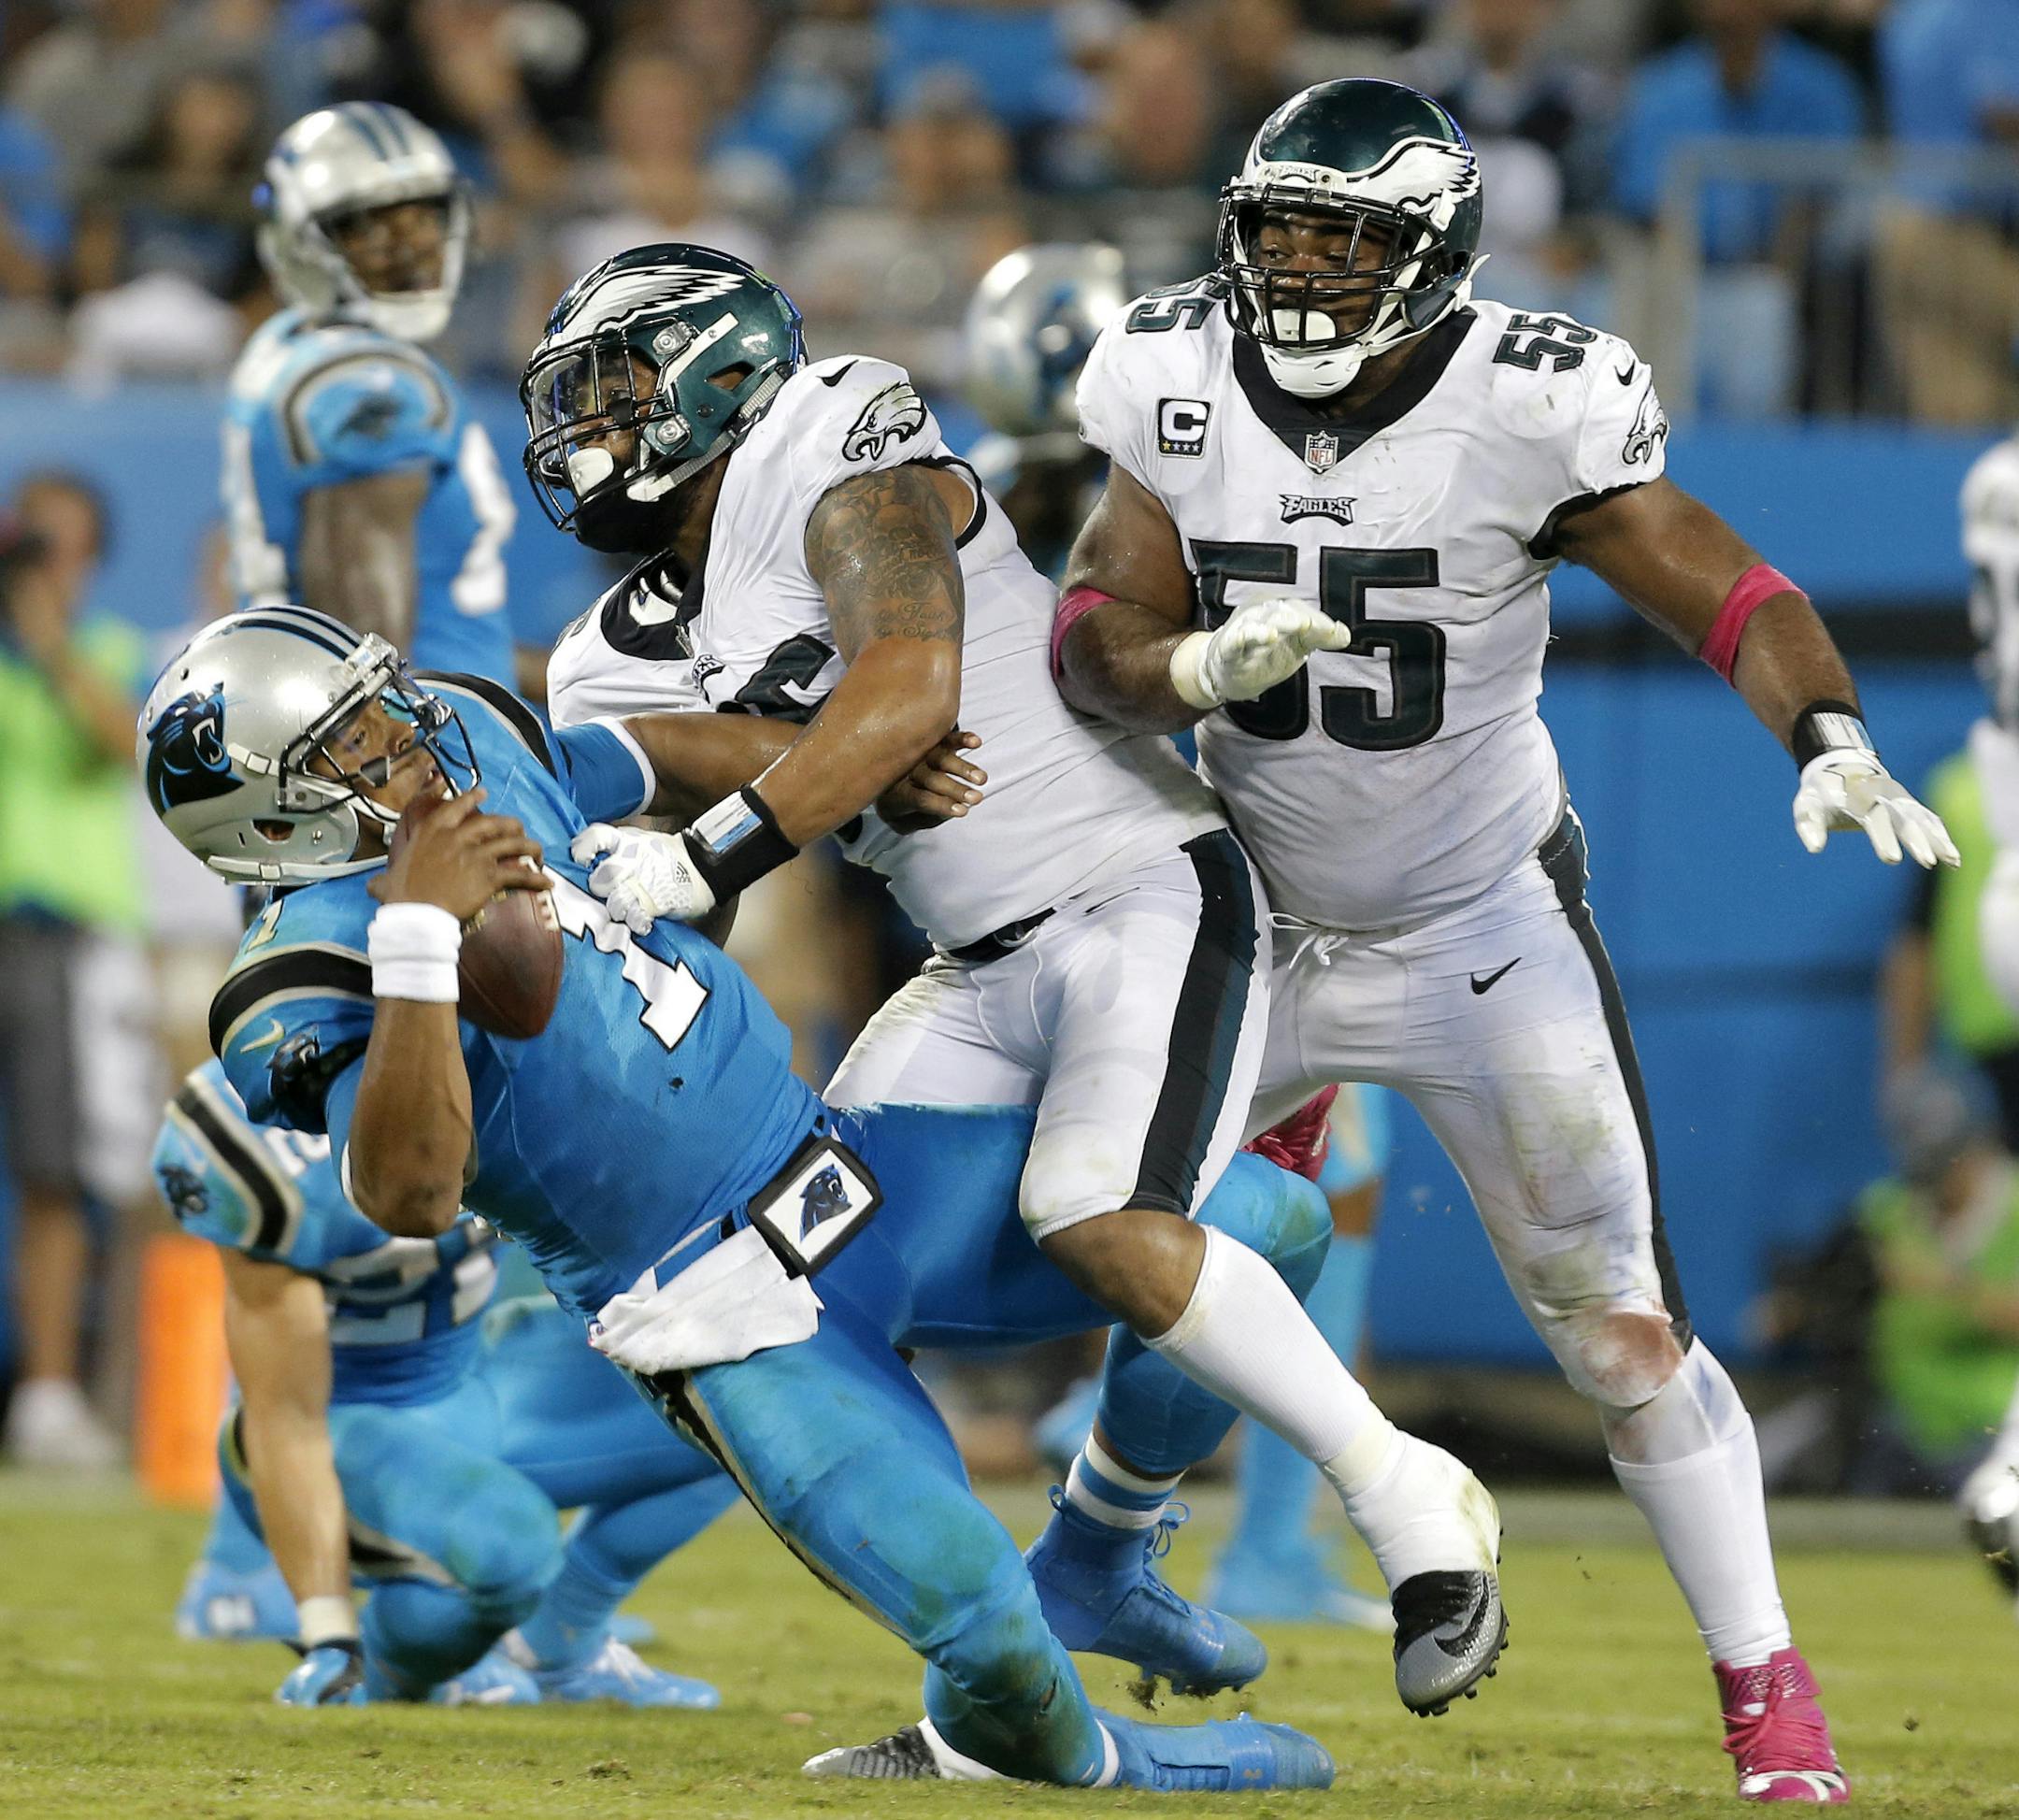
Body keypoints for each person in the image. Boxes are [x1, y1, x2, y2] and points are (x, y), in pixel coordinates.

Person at [1051, 76, 1962, 1803]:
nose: (1306, 273)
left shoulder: (1528, 401)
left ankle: (1770, 1693)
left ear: (1436, 254)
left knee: (1617, 1331)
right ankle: (1094, 1552)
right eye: (1283, 234)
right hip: (1242, 923)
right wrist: (1177, 669)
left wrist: (1829, 734)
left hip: (1476, 925)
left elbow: (1727, 584)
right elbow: (1101, 619)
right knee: (1094, 1225)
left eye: (1349, 240)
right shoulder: (1171, 376)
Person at [527, 243, 1506, 1720]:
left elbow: (907, 688)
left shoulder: (835, 434)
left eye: (613, 392)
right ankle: (1008, 1657)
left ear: (717, 372)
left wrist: (749, 809)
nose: (586, 435)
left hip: (1141, 891)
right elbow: (780, 776)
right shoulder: (597, 663)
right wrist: (790, 778)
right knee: (792, 1277)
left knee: (1097, 1212)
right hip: (971, 967)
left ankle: (1411, 1500)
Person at [137, 603, 1354, 1789]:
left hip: (849, 1168)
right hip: (721, 1302)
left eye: (380, 701)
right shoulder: (295, 979)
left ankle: (1100, 1544)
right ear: (277, 817)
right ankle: (1114, 1757)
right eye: (348, 742)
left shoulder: (468, 731)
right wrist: (414, 940)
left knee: (1267, 1226)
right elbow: (410, 1185)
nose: (403, 733)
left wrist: (839, 774)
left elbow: (655, 751)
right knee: (984, 1633)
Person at [963, 242, 1392, 1631]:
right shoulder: (1165, 469)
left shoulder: (974, 488)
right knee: (1266, 1189)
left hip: (1039, 874)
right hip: (1191, 872)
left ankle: (1144, 1441)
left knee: (1150, 1170)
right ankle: (1235, 1505)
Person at [154, 1056, 733, 1706]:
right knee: (512, 1549)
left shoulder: (514, 1060)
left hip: (474, 1378)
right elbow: (285, 1414)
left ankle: (557, 1642)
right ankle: (388, 1664)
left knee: (731, 1380)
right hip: (347, 1433)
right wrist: (329, 1636)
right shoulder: (255, 1131)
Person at [223, 103, 522, 690]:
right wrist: (398, 766)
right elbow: (369, 668)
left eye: (422, 217)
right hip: (429, 754)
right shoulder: (366, 380)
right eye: (368, 225)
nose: (408, 246)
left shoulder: (289, 346)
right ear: (301, 240)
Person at [0, 474, 156, 1470]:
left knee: (61, 1172)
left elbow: (119, 748)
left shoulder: (105, 651)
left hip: (62, 936)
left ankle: (54, 1395)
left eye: (59, 547)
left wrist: (47, 636)